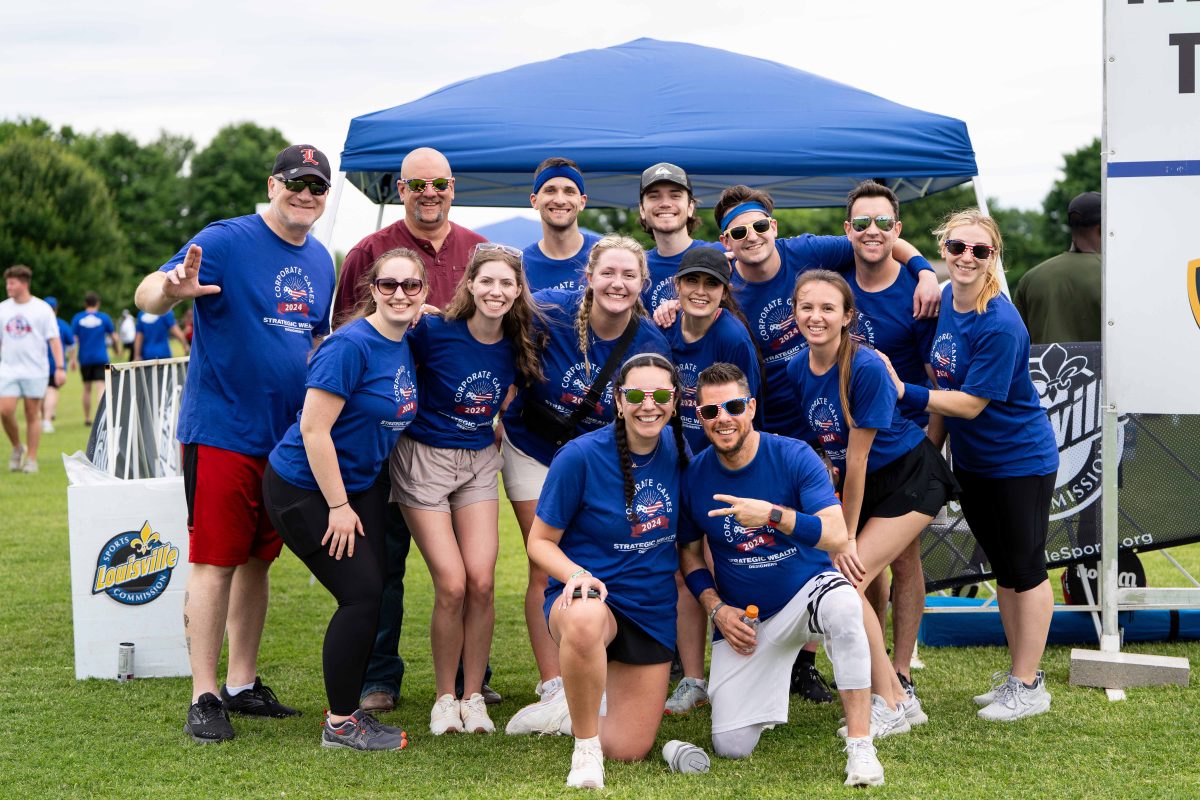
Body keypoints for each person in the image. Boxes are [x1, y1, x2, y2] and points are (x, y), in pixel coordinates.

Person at [657, 184, 939, 702]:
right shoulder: (785, 354)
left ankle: (893, 682)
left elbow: (873, 235)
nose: (752, 236)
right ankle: (804, 664)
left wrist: (923, 269)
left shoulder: (810, 260)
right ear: (726, 242)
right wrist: (677, 306)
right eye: (739, 231)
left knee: (853, 569)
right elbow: (696, 290)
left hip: (891, 467)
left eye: (760, 225)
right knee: (811, 560)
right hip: (800, 438)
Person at [134, 143, 336, 743]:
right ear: (273, 184)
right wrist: (172, 289)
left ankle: (242, 683)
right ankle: (204, 694)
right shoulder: (225, 239)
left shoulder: (321, 258)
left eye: (317, 186)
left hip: (285, 438)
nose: (305, 194)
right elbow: (146, 295)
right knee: (214, 560)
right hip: (223, 430)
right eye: (296, 182)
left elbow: (315, 339)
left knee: (257, 560)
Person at [333, 146, 491, 714]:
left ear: (453, 187)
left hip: (459, 435)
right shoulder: (368, 252)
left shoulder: (478, 251)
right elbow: (344, 335)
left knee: (472, 569)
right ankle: (379, 675)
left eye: (439, 184)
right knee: (385, 562)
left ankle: (473, 674)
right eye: (417, 184)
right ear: (399, 189)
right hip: (387, 433)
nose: (430, 194)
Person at [885, 209, 1059, 721]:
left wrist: (903, 391)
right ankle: (1018, 676)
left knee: (1026, 569)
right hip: (976, 463)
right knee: (1004, 568)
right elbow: (944, 386)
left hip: (1019, 461)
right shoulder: (943, 300)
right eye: (957, 247)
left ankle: (1029, 684)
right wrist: (930, 450)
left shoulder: (1000, 322)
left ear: (993, 257)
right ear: (943, 249)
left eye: (980, 250)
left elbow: (970, 403)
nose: (967, 257)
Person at [677, 363, 882, 787]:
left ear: (751, 407)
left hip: (807, 596)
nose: (723, 419)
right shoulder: (694, 476)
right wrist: (716, 610)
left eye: (734, 407)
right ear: (700, 417)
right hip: (748, 620)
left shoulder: (793, 454)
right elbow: (691, 556)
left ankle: (861, 744)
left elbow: (836, 534)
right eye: (711, 411)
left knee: (846, 605)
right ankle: (767, 689)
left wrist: (772, 515)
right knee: (731, 745)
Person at [501, 234, 671, 736]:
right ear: (589, 277)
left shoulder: (648, 340)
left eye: (629, 275)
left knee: (602, 547)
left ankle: (598, 658)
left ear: (643, 284)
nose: (618, 283)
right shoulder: (549, 312)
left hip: (602, 457)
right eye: (608, 273)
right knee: (545, 561)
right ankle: (554, 683)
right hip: (534, 445)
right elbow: (491, 330)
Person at [263, 248, 424, 751]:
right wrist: (337, 506)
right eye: (388, 285)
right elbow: (313, 430)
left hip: (359, 486)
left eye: (411, 285)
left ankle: (349, 711)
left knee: (374, 591)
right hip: (304, 488)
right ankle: (340, 725)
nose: (399, 294)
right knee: (360, 596)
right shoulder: (349, 346)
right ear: (372, 289)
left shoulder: (403, 339)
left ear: (423, 292)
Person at [787, 270, 956, 734]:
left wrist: (843, 536)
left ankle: (892, 701)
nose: (816, 317)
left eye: (828, 308)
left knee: (847, 578)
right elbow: (829, 449)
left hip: (911, 477)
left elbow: (858, 458)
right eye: (807, 307)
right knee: (854, 581)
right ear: (794, 312)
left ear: (847, 316)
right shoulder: (797, 367)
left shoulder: (865, 367)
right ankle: (898, 698)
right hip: (868, 481)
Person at [391, 243, 543, 735]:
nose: (496, 291)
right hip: (424, 460)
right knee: (452, 584)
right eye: (487, 281)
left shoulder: (518, 342)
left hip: (478, 462)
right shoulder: (434, 331)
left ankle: (473, 696)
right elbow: (387, 350)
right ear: (470, 285)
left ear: (517, 291)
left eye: (507, 283)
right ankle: (444, 698)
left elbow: (515, 394)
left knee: (482, 582)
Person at [525, 352, 688, 789]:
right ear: (618, 400)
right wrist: (577, 575)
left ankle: (566, 710)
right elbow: (539, 542)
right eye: (635, 395)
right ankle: (584, 750)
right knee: (585, 615)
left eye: (660, 396)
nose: (648, 405)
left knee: (628, 748)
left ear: (675, 401)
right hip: (590, 598)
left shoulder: (681, 451)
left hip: (650, 609)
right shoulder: (579, 456)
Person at [840, 181, 939, 699]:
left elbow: (936, 379)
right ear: (847, 230)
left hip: (904, 444)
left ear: (897, 229)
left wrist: (932, 446)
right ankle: (869, 660)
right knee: (862, 563)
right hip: (848, 447)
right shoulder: (835, 281)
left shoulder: (917, 296)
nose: (872, 232)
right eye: (862, 223)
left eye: (883, 223)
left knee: (903, 559)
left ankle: (901, 669)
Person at [661, 246, 762, 716]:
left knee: (727, 564)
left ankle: (733, 666)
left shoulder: (732, 336)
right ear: (677, 285)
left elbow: (747, 408)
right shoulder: (663, 326)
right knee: (685, 567)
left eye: (711, 284)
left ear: (725, 291)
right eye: (692, 282)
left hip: (722, 463)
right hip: (674, 462)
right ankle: (693, 677)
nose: (700, 291)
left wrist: (743, 466)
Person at [1013, 190, 1102, 345]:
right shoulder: (1112, 276)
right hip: (1103, 362)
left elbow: (1017, 342)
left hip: (1042, 362)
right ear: (1102, 228)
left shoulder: (1030, 278)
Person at [1, 265, 64, 473]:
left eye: (12, 283)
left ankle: (31, 459)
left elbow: (54, 340)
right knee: (5, 410)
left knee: (32, 413)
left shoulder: (42, 309)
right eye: (7, 283)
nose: (8, 287)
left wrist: (60, 367)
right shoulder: (3, 309)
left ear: (24, 284)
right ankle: (17, 447)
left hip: (35, 370)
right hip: (8, 369)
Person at [637, 162, 721, 311]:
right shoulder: (636, 268)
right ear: (642, 209)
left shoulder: (721, 255)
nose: (665, 203)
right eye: (654, 196)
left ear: (690, 207)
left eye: (675, 196)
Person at [522, 157, 600, 292]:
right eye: (550, 190)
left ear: (582, 202)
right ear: (534, 201)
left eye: (569, 191)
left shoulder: (605, 254)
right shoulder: (521, 266)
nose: (560, 200)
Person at [71, 292, 118, 426]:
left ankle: (87, 418)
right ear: (98, 303)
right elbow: (114, 337)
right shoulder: (104, 318)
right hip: (101, 357)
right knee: (101, 386)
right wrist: (117, 349)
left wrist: (73, 359)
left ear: (85, 303)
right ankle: (102, 418)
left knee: (86, 388)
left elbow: (73, 341)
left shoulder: (77, 318)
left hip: (85, 358)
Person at [40, 296, 74, 434]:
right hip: (56, 363)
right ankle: (47, 420)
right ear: (56, 309)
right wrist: (72, 360)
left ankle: (43, 417)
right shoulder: (62, 325)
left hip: (38, 364)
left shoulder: (37, 323)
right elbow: (71, 345)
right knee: (52, 390)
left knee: (41, 392)